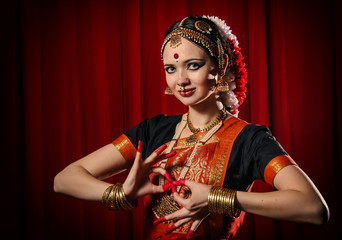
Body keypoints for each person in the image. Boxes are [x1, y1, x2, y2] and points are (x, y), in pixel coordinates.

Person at [54, 15, 329, 240]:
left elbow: (314, 208)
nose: (181, 80)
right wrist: (120, 194)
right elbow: (64, 180)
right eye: (171, 68)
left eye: (193, 65)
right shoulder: (153, 131)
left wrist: (214, 197)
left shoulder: (249, 139)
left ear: (220, 67)